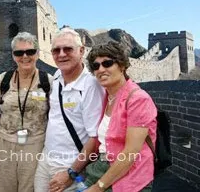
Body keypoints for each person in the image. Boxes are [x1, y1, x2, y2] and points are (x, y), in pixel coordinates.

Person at [34, 28, 105, 192]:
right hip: (47, 159)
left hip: (71, 165)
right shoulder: (57, 76)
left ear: (81, 51)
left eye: (67, 49)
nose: (61, 54)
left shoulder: (91, 86)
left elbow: (94, 138)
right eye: (56, 50)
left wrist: (71, 172)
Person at [84, 41, 157, 192]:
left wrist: (99, 187)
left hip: (130, 177)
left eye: (107, 63)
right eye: (96, 66)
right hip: (101, 167)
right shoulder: (107, 96)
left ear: (122, 66)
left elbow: (130, 154)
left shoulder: (138, 99)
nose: (101, 69)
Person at [0, 32, 53, 192]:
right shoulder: (3, 80)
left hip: (36, 143)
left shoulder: (48, 82)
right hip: (4, 143)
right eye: (19, 53)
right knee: (3, 187)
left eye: (30, 52)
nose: (24, 56)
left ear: (38, 54)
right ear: (13, 55)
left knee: (31, 188)